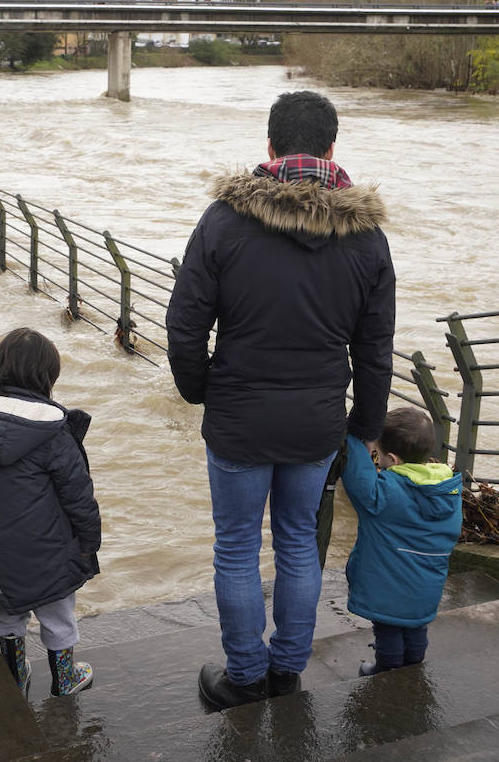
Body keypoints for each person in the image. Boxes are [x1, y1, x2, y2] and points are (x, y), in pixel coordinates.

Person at [165, 90, 396, 711]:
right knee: (298, 540)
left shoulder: (224, 220)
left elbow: (185, 326)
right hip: (318, 423)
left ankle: (244, 677)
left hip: (239, 415)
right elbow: (376, 350)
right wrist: (364, 427)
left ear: (269, 149)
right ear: (331, 150)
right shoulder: (367, 238)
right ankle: (286, 672)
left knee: (237, 545)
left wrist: (202, 392)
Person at [0, 328, 101, 697]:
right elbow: (79, 497)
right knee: (58, 615)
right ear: (47, 377)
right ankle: (65, 678)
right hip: (48, 554)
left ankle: (16, 673)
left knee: (7, 613)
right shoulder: (52, 432)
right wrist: (88, 544)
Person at [341, 406, 462, 676]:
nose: (377, 460)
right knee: (416, 625)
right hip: (427, 584)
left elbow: (357, 474)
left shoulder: (383, 494)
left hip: (387, 585)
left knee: (388, 626)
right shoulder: (449, 491)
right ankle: (415, 660)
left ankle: (387, 667)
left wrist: (355, 437)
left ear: (393, 459)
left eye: (379, 455)